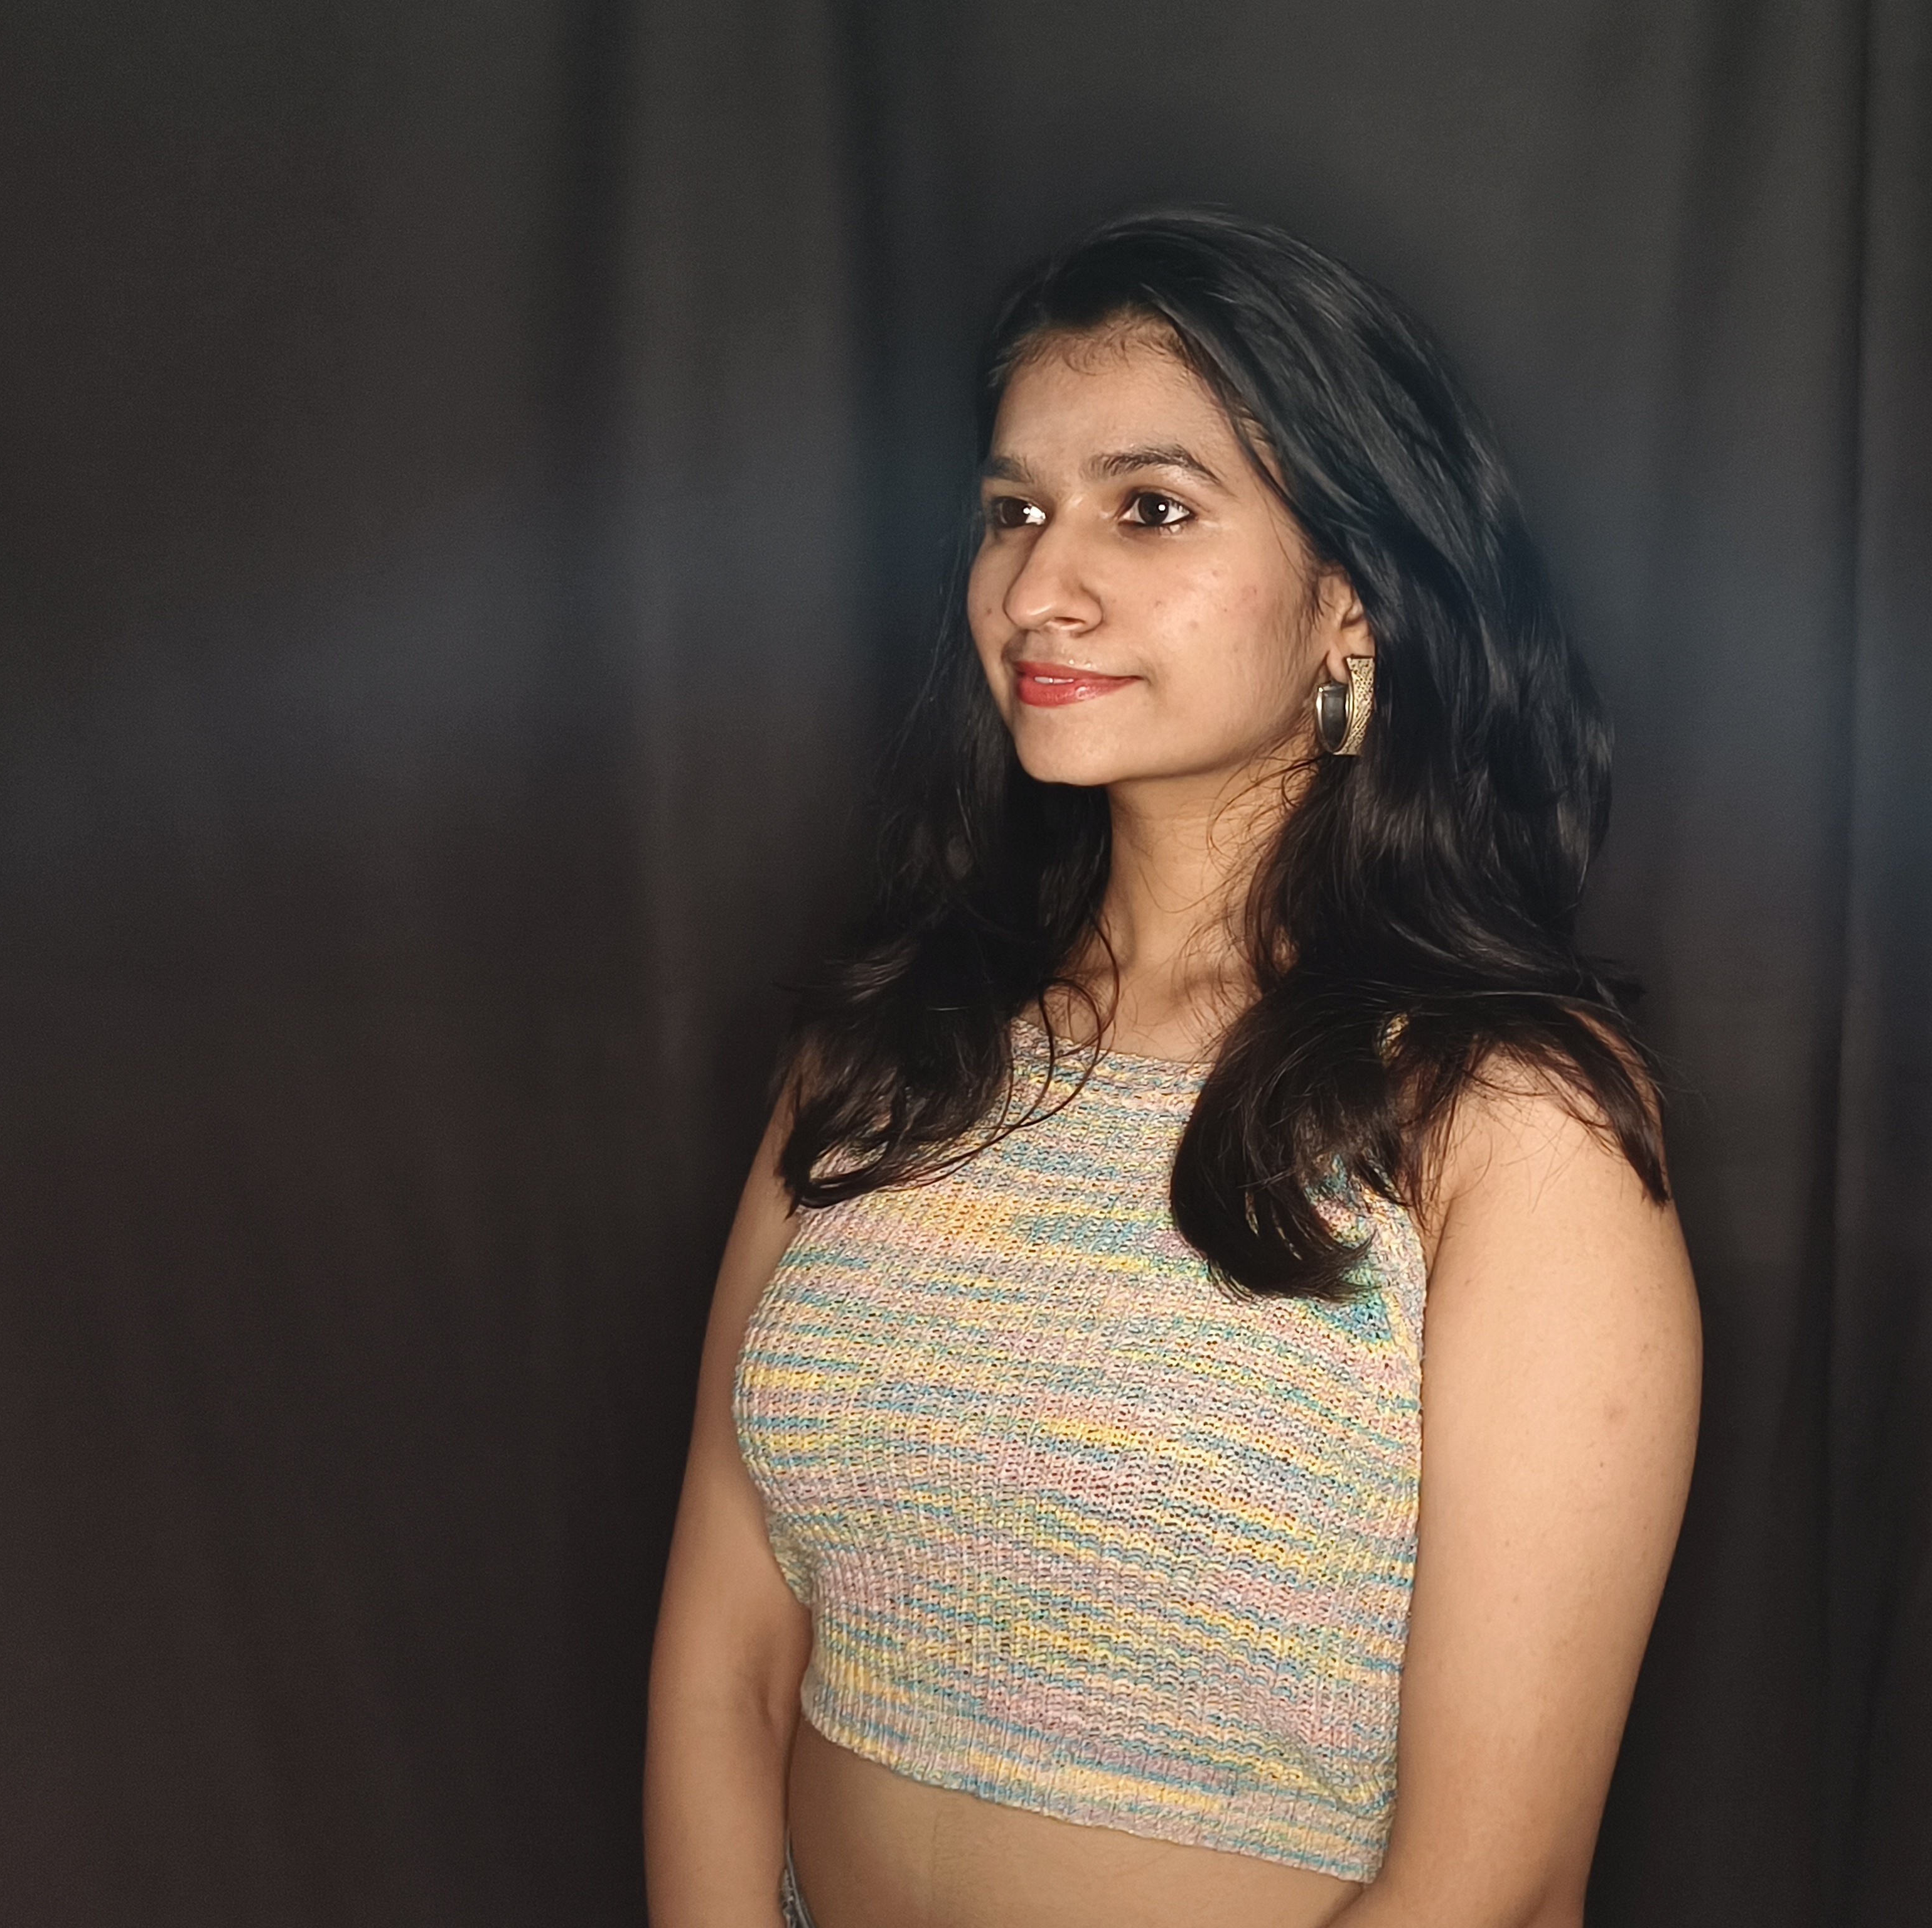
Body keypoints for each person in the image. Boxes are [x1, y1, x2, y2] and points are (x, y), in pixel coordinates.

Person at [644, 208, 1700, 1928]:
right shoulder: (887, 1050)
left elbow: (1496, 1884)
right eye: (1014, 512)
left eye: (1149, 508)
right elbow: (726, 1659)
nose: (1036, 588)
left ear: (1350, 601)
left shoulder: (1506, 1122)